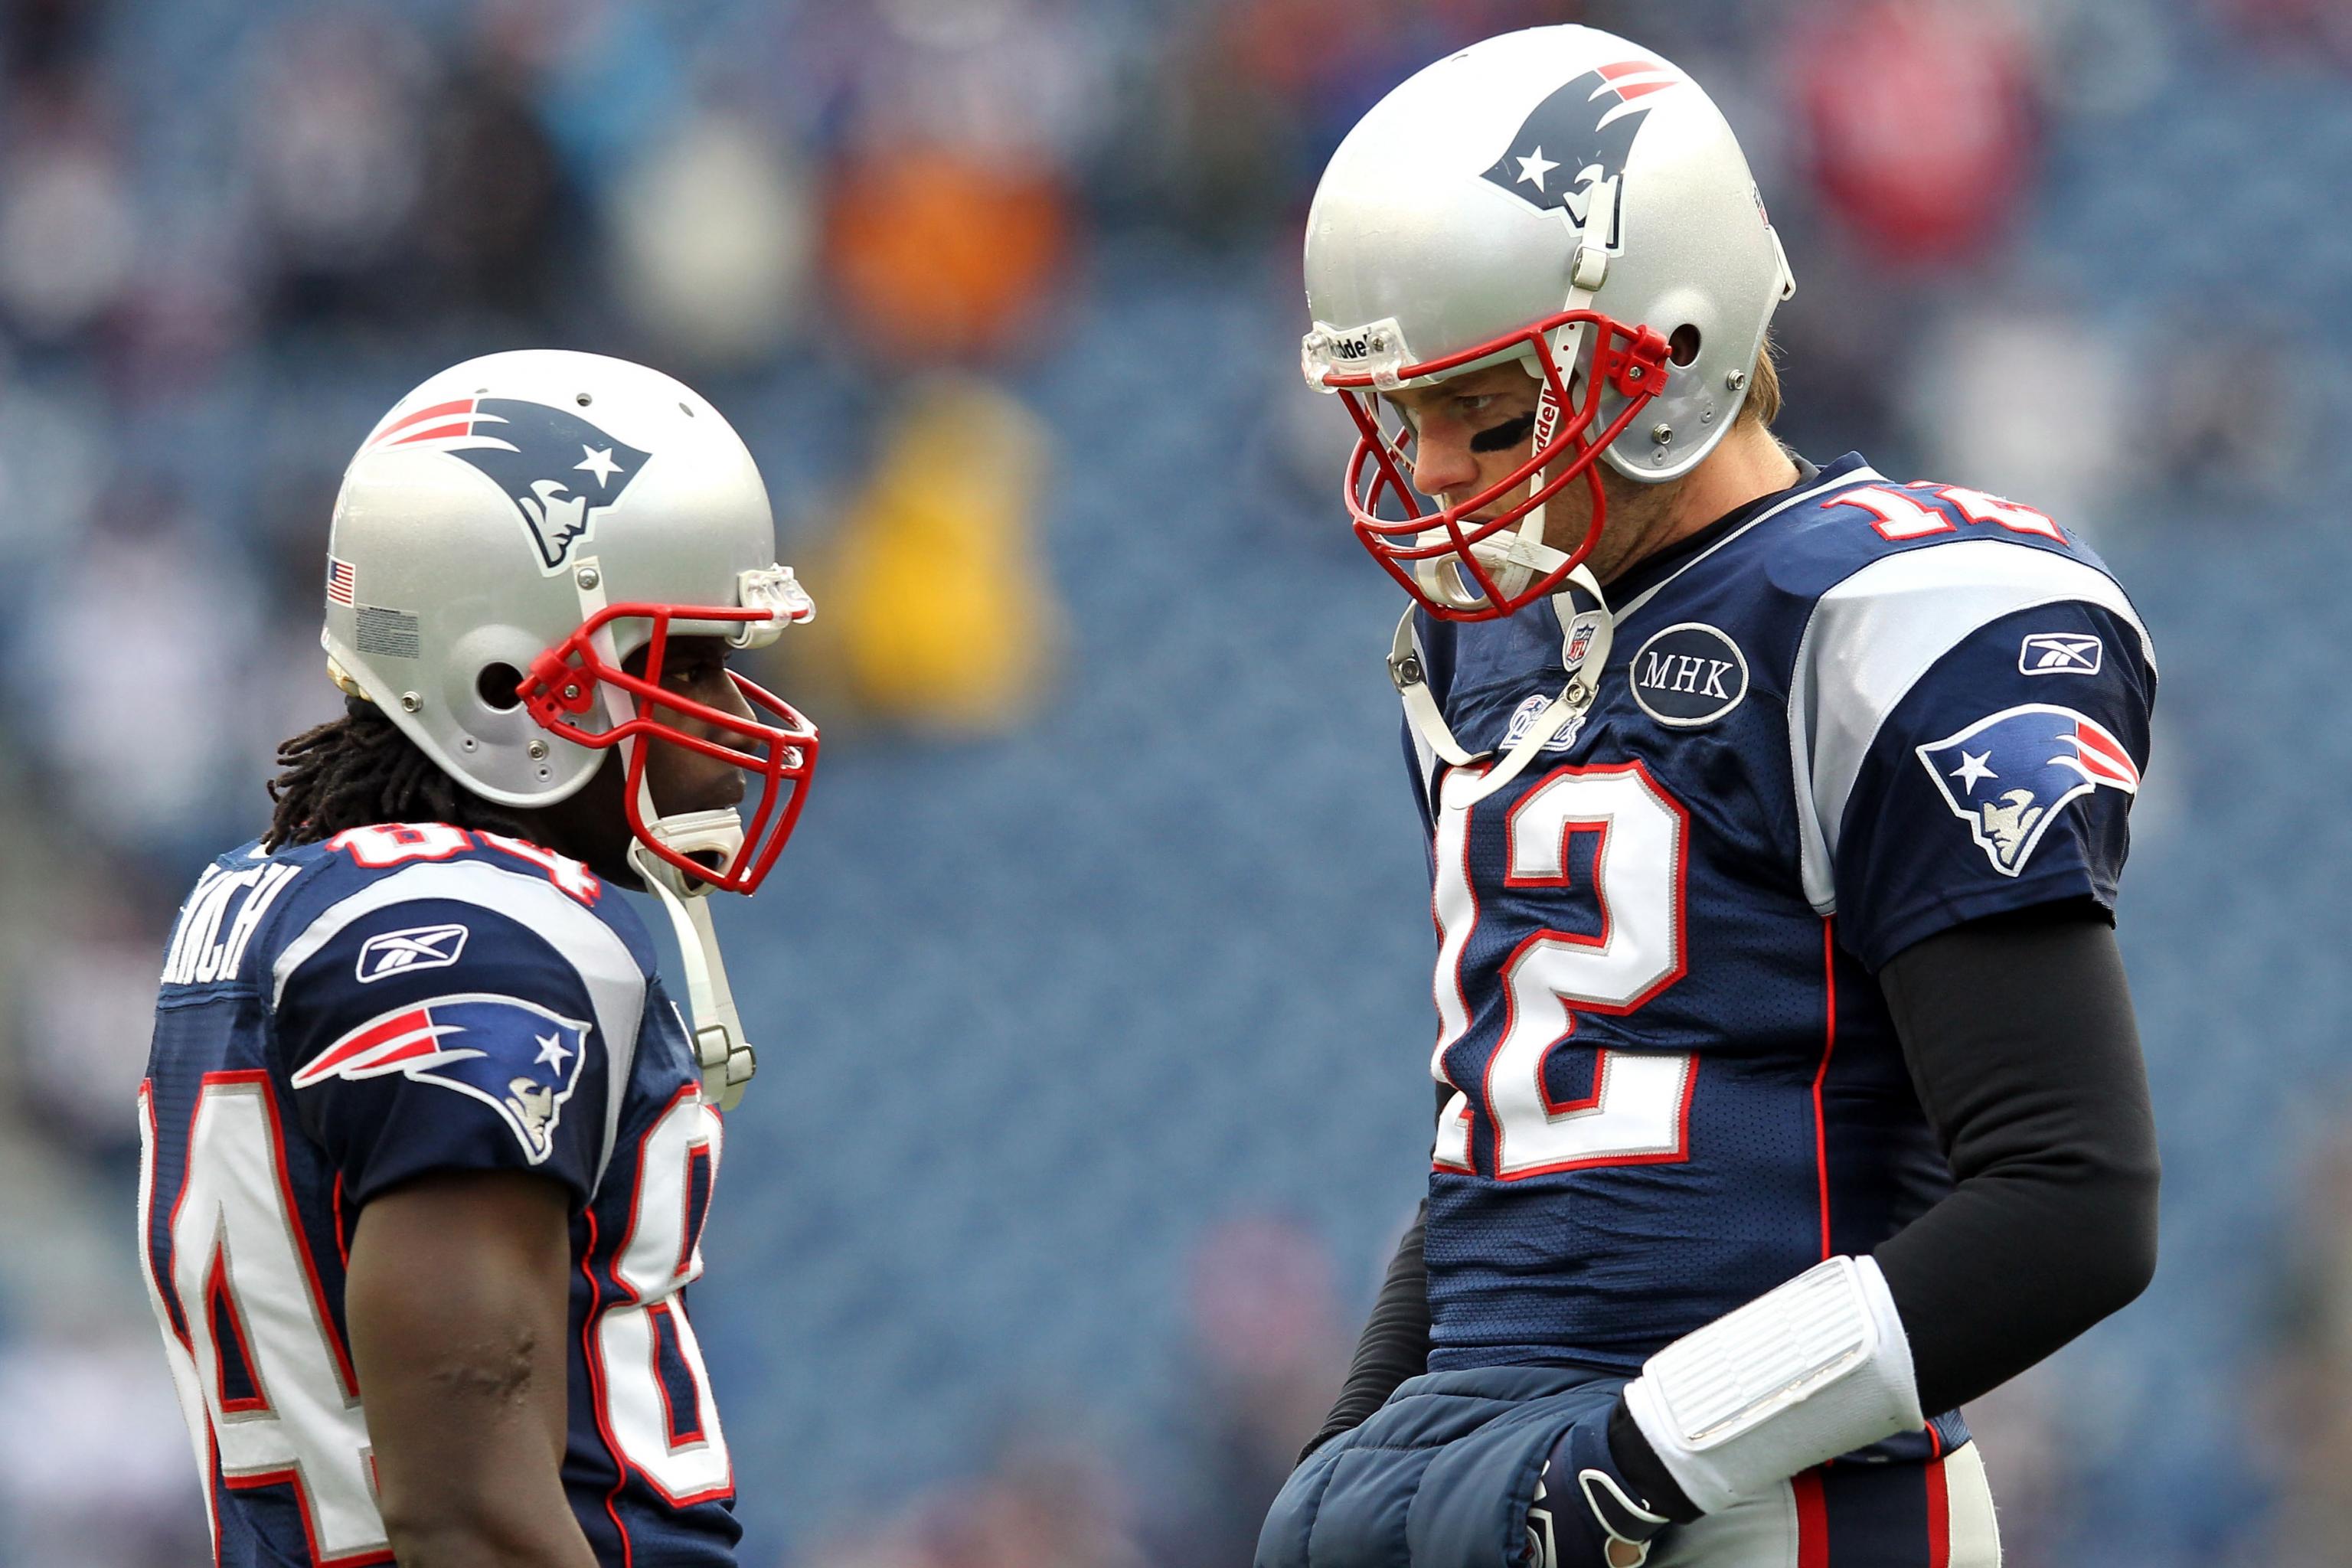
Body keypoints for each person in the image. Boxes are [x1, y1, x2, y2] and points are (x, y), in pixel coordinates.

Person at [1261, 26, 2160, 1568]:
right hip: (1523, 1471)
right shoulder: (1486, 648)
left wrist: (1638, 1457)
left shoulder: (1895, 612)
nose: (1429, 462)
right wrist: (1363, 1455)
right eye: (1400, 410)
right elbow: (1505, 1135)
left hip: (1771, 1501)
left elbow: (2072, 1195)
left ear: (1670, 349)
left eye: (1482, 399)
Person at [134, 350, 820, 1567]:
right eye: (687, 666)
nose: (726, 739)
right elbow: (471, 1515)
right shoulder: (491, 938)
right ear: (502, 680)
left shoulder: (267, 898)